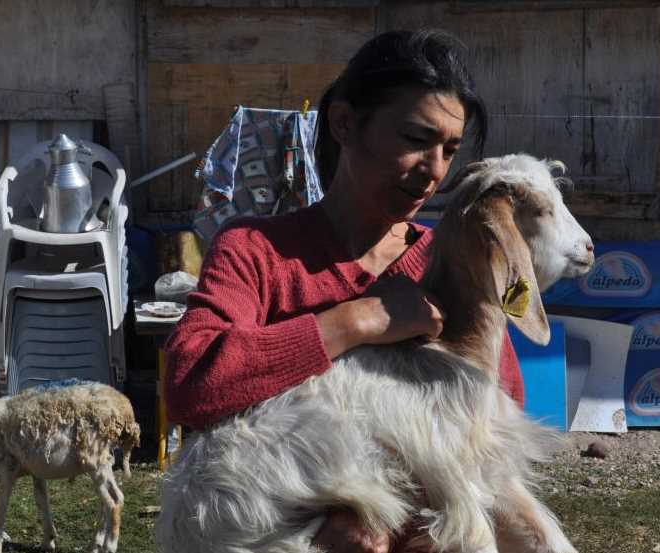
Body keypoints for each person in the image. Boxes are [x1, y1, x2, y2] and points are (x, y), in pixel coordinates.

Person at [164, 28, 524, 553]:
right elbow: (191, 383)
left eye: (449, 149)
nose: (435, 172)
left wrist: (405, 523)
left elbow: (500, 408)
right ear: (345, 123)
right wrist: (356, 322)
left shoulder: (450, 264)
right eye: (416, 139)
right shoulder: (257, 250)